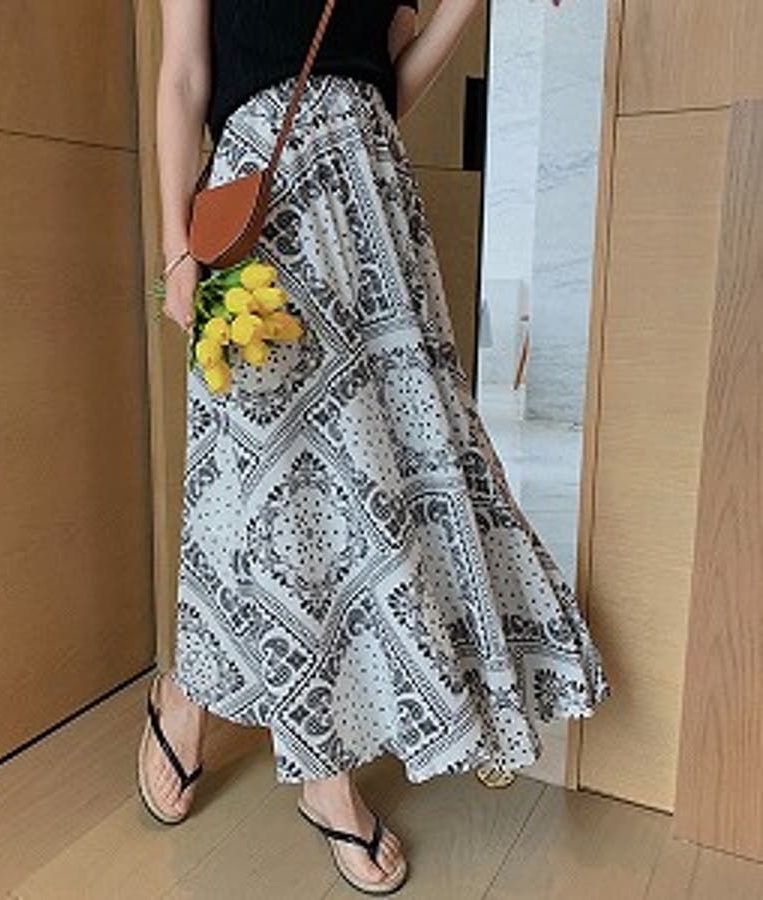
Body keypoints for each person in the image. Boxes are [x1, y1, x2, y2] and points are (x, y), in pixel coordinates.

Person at [139, 0, 609, 894]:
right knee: (257, 481)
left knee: (369, 483)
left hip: (372, 211)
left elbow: (389, 84)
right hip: (264, 213)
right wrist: (175, 249)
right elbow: (185, 75)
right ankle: (194, 695)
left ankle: (320, 767)